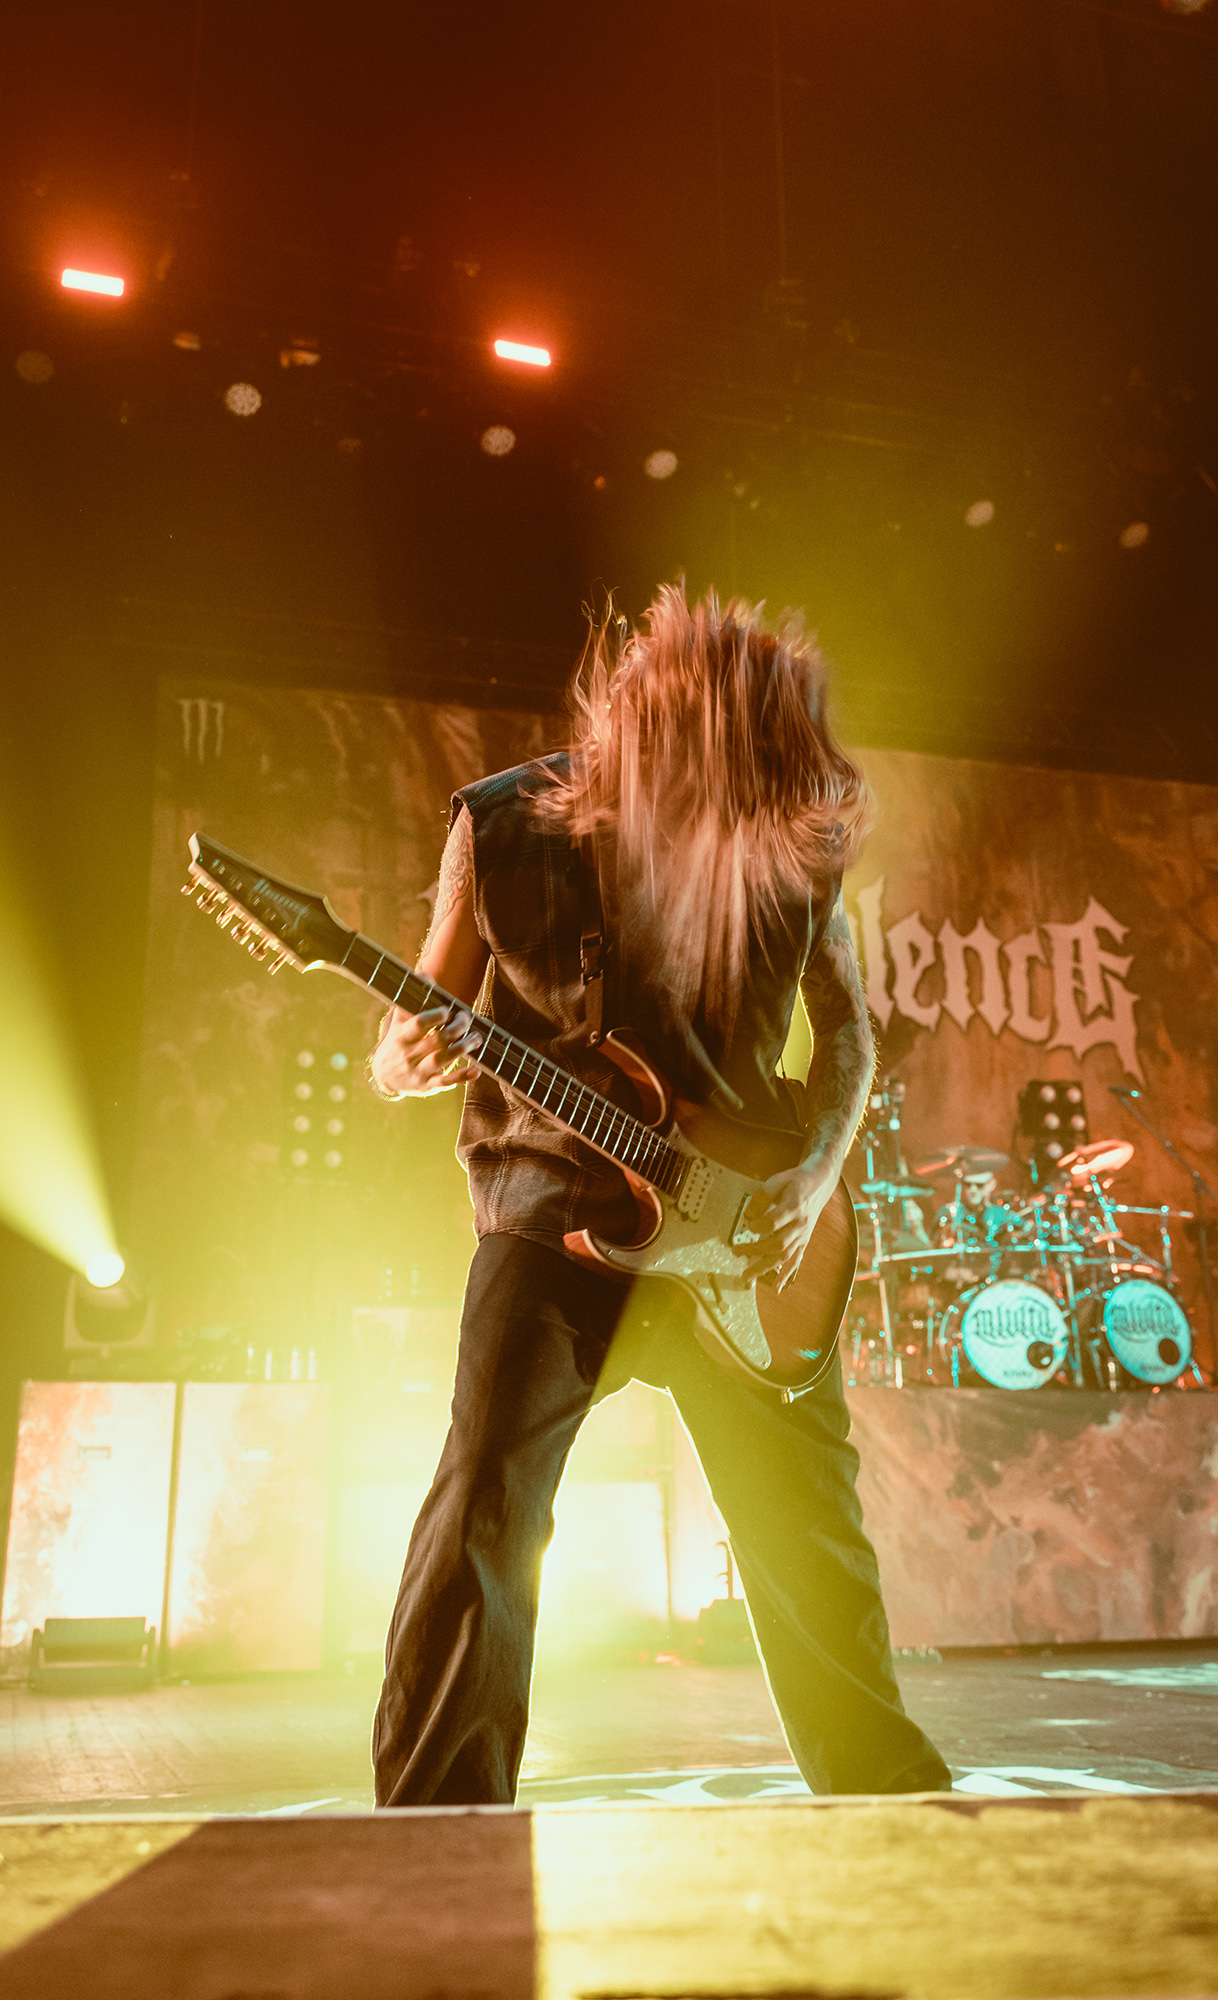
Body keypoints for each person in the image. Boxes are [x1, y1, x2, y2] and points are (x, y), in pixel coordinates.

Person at [367, 586, 951, 1807]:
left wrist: (813, 1175)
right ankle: (433, 1818)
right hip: (553, 1210)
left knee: (808, 1535)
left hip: (747, 1233)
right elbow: (417, 1018)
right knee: (486, 1494)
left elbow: (849, 1034)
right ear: (659, 727)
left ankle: (891, 1798)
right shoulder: (501, 826)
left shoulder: (789, 841)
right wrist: (401, 1056)